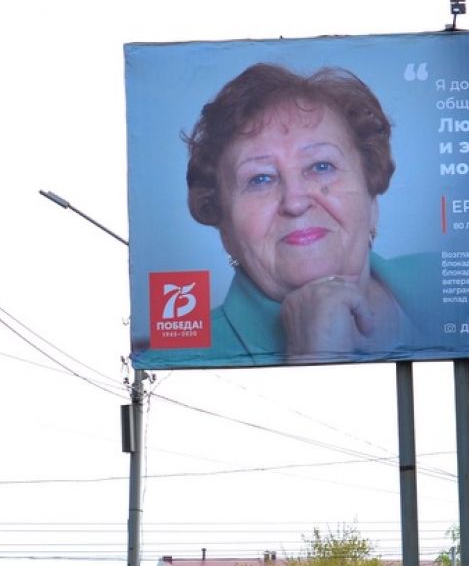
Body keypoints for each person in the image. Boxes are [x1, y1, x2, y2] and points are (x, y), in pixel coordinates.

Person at [183, 63, 437, 363]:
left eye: (321, 167)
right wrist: (312, 358)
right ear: (225, 230)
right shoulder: (187, 356)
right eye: (260, 179)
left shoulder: (449, 281)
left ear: (371, 195)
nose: (295, 202)